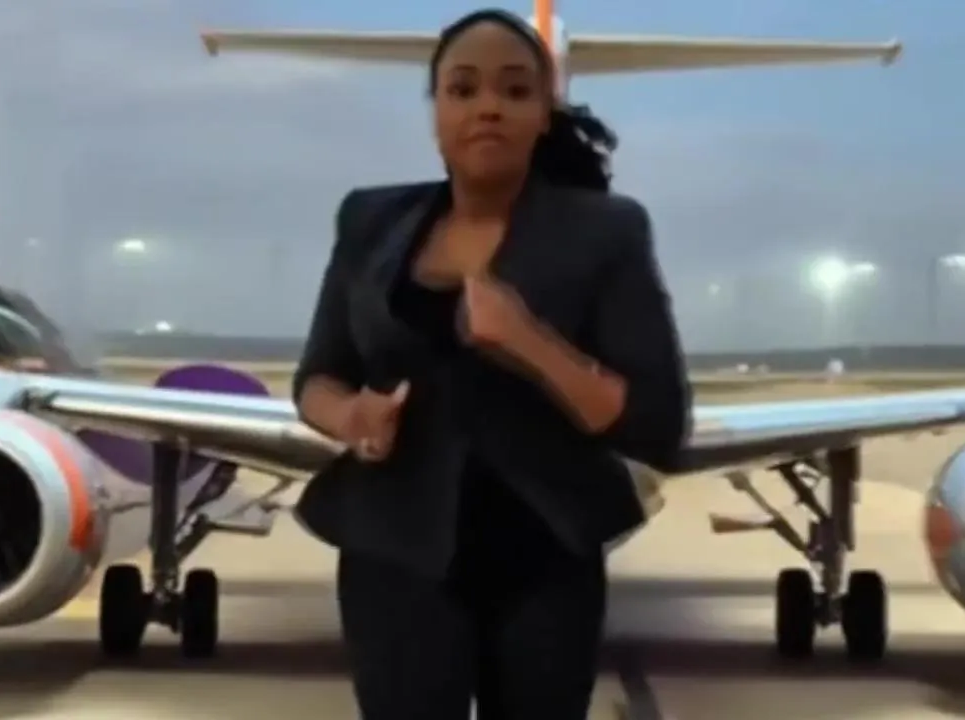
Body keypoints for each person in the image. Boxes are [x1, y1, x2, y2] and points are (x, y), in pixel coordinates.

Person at [291, 8, 690, 719]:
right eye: (463, 89)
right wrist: (351, 417)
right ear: (436, 112)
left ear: (543, 114)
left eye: (514, 90)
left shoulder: (607, 231)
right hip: (394, 555)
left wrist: (531, 343)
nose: (488, 108)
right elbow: (317, 377)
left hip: (544, 559)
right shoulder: (369, 221)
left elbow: (658, 425)